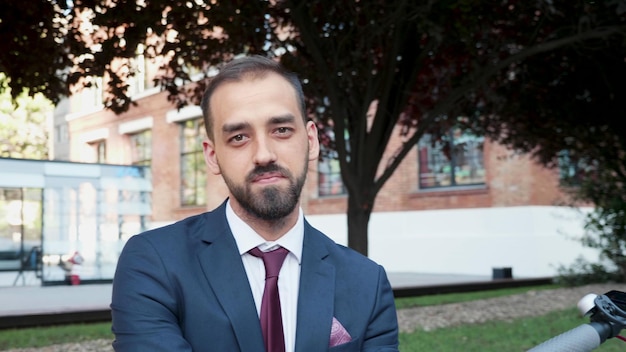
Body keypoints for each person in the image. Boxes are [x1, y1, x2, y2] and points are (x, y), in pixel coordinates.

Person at [110, 55, 399, 351]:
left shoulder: (367, 282)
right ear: (212, 156)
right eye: (238, 137)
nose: (264, 154)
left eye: (282, 130)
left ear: (311, 141)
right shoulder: (153, 262)